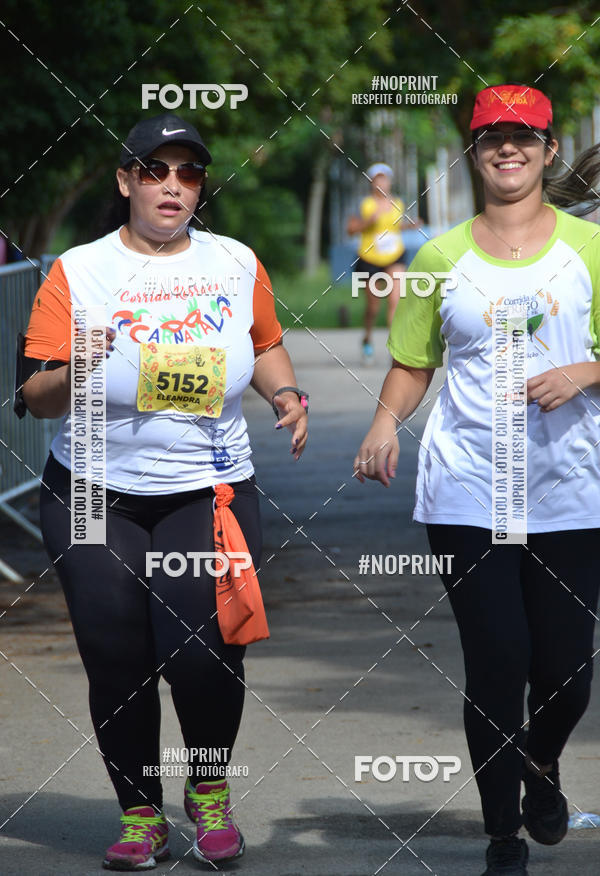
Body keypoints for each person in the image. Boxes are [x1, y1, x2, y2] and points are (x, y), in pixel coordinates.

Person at [19, 113, 309, 870]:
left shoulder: (235, 261)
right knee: (114, 654)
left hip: (204, 488)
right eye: (155, 171)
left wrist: (285, 395)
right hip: (90, 489)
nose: (172, 186)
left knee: (201, 654)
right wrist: (80, 364)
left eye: (187, 173)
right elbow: (38, 395)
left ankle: (209, 791)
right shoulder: (79, 271)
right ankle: (139, 813)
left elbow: (265, 343)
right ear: (126, 182)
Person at [354, 85, 600, 875]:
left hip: (570, 491)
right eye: (493, 135)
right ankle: (501, 836)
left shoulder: (591, 250)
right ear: (474, 148)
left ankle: (543, 764)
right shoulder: (438, 257)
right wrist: (385, 422)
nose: (508, 148)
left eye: (524, 136)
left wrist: (584, 370)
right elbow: (412, 361)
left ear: (548, 149)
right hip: (467, 489)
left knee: (566, 673)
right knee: (498, 658)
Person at [346, 162, 419, 364]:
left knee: (395, 301)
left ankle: (395, 348)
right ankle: (367, 338)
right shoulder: (363, 204)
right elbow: (350, 229)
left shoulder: (398, 203)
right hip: (369, 258)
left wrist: (410, 226)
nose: (381, 183)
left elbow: (394, 227)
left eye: (384, 179)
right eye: (377, 179)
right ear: (371, 182)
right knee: (373, 307)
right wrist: (367, 222)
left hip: (395, 255)